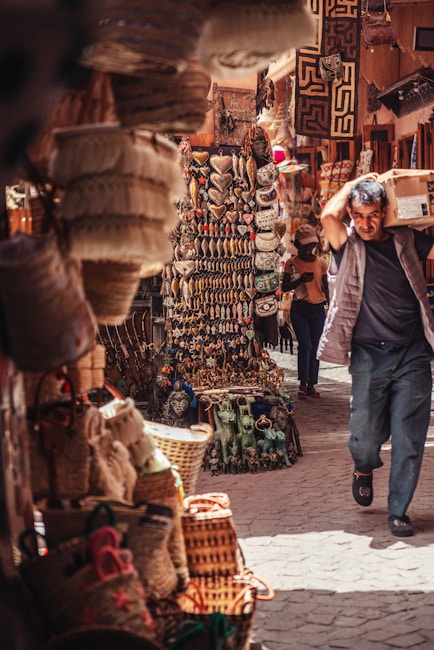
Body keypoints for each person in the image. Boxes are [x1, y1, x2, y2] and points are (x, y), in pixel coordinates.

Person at [317, 174, 434, 538]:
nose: (366, 223)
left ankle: (398, 510)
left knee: (410, 436)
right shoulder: (346, 244)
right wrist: (358, 182)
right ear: (351, 213)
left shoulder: (407, 240)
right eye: (359, 215)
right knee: (365, 436)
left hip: (414, 352)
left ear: (385, 212)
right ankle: (364, 466)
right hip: (369, 355)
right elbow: (326, 217)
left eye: (374, 215)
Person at [282, 224, 329, 399]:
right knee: (306, 345)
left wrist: (330, 306)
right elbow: (285, 286)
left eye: (311, 245)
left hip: (317, 308)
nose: (309, 249)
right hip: (300, 308)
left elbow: (326, 286)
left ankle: (312, 384)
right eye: (305, 245)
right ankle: (302, 382)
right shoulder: (291, 263)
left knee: (316, 347)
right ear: (298, 245)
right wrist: (300, 280)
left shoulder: (321, 263)